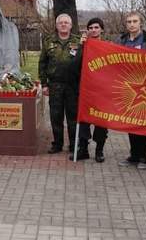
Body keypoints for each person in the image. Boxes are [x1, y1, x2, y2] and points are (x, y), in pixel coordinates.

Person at [115, 11, 146, 167]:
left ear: (141, 23)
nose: (132, 24)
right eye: (129, 22)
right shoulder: (121, 40)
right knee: (130, 121)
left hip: (145, 86)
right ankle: (133, 155)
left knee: (142, 122)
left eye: (134, 21)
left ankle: (143, 157)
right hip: (128, 86)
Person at [39, 14, 81, 154]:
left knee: (72, 117)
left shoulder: (79, 41)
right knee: (55, 116)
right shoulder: (48, 41)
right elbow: (42, 63)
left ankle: (73, 144)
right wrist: (44, 84)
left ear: (70, 25)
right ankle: (57, 144)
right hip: (55, 85)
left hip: (73, 86)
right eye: (60, 23)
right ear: (56, 25)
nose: (63, 25)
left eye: (66, 22)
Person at [71, 17, 108, 162]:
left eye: (96, 27)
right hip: (85, 90)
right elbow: (73, 65)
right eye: (91, 27)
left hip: (101, 91)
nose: (93, 30)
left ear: (102, 29)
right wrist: (81, 47)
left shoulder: (107, 46)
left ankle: (99, 150)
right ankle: (83, 149)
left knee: (101, 122)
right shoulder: (80, 45)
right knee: (84, 121)